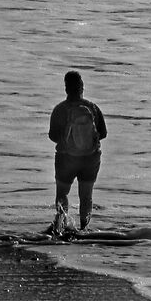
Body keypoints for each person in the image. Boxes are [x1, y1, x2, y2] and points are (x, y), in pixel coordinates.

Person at [48, 70, 109, 235]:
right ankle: (84, 229)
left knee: (62, 193)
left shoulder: (60, 109)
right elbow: (103, 134)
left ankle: (61, 227)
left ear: (66, 88)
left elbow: (53, 136)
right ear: (82, 87)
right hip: (90, 159)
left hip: (66, 159)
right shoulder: (93, 108)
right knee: (86, 195)